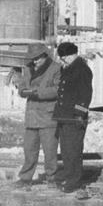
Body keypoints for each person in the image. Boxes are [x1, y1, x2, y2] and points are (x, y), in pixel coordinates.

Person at [15, 43, 60, 184]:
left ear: (44, 55)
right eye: (32, 59)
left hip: (48, 116)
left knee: (50, 150)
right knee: (29, 150)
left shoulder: (56, 68)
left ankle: (52, 178)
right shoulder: (28, 68)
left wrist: (37, 93)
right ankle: (25, 178)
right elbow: (22, 85)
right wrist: (23, 91)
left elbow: (58, 89)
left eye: (36, 58)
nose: (34, 61)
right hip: (32, 115)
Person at [52, 41, 93, 192]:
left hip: (75, 117)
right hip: (65, 116)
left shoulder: (82, 69)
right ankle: (69, 176)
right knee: (66, 150)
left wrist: (79, 114)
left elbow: (85, 95)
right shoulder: (68, 68)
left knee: (74, 151)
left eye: (65, 58)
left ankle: (74, 180)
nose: (63, 61)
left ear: (73, 55)